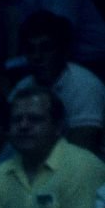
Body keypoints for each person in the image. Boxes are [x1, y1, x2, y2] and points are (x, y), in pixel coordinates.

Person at [0, 87, 105, 208]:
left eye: (34, 119)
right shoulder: (0, 173)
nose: (23, 126)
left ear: (58, 127)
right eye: (17, 120)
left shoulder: (82, 165)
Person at [8, 11, 105, 155]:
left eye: (46, 49)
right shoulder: (23, 87)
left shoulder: (85, 86)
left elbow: (81, 153)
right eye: (30, 50)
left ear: (63, 52)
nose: (37, 57)